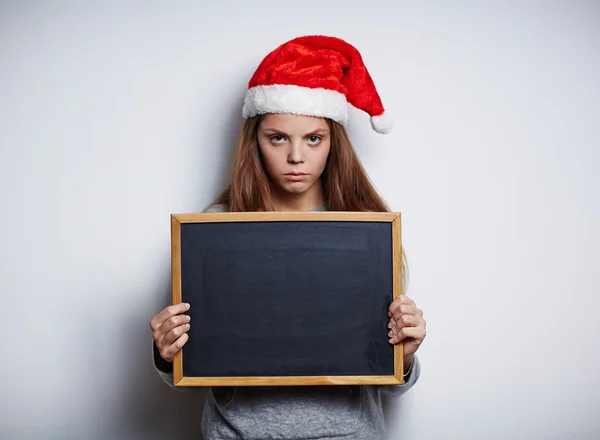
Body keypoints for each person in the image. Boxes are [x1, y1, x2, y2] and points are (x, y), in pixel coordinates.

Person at [149, 35, 427, 440]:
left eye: (313, 138)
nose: (296, 156)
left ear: (334, 143)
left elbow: (391, 379)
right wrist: (165, 351)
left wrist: (404, 356)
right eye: (277, 137)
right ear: (255, 141)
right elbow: (189, 369)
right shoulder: (213, 229)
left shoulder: (367, 232)